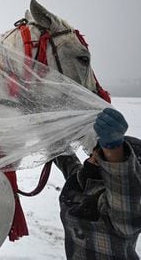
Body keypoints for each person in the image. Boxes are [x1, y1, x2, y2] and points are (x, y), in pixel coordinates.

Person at [55, 107, 141, 259]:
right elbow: (65, 157)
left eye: (104, 156)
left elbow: (123, 184)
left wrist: (114, 149)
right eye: (97, 151)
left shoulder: (126, 208)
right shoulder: (82, 180)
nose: (95, 156)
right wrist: (49, 134)